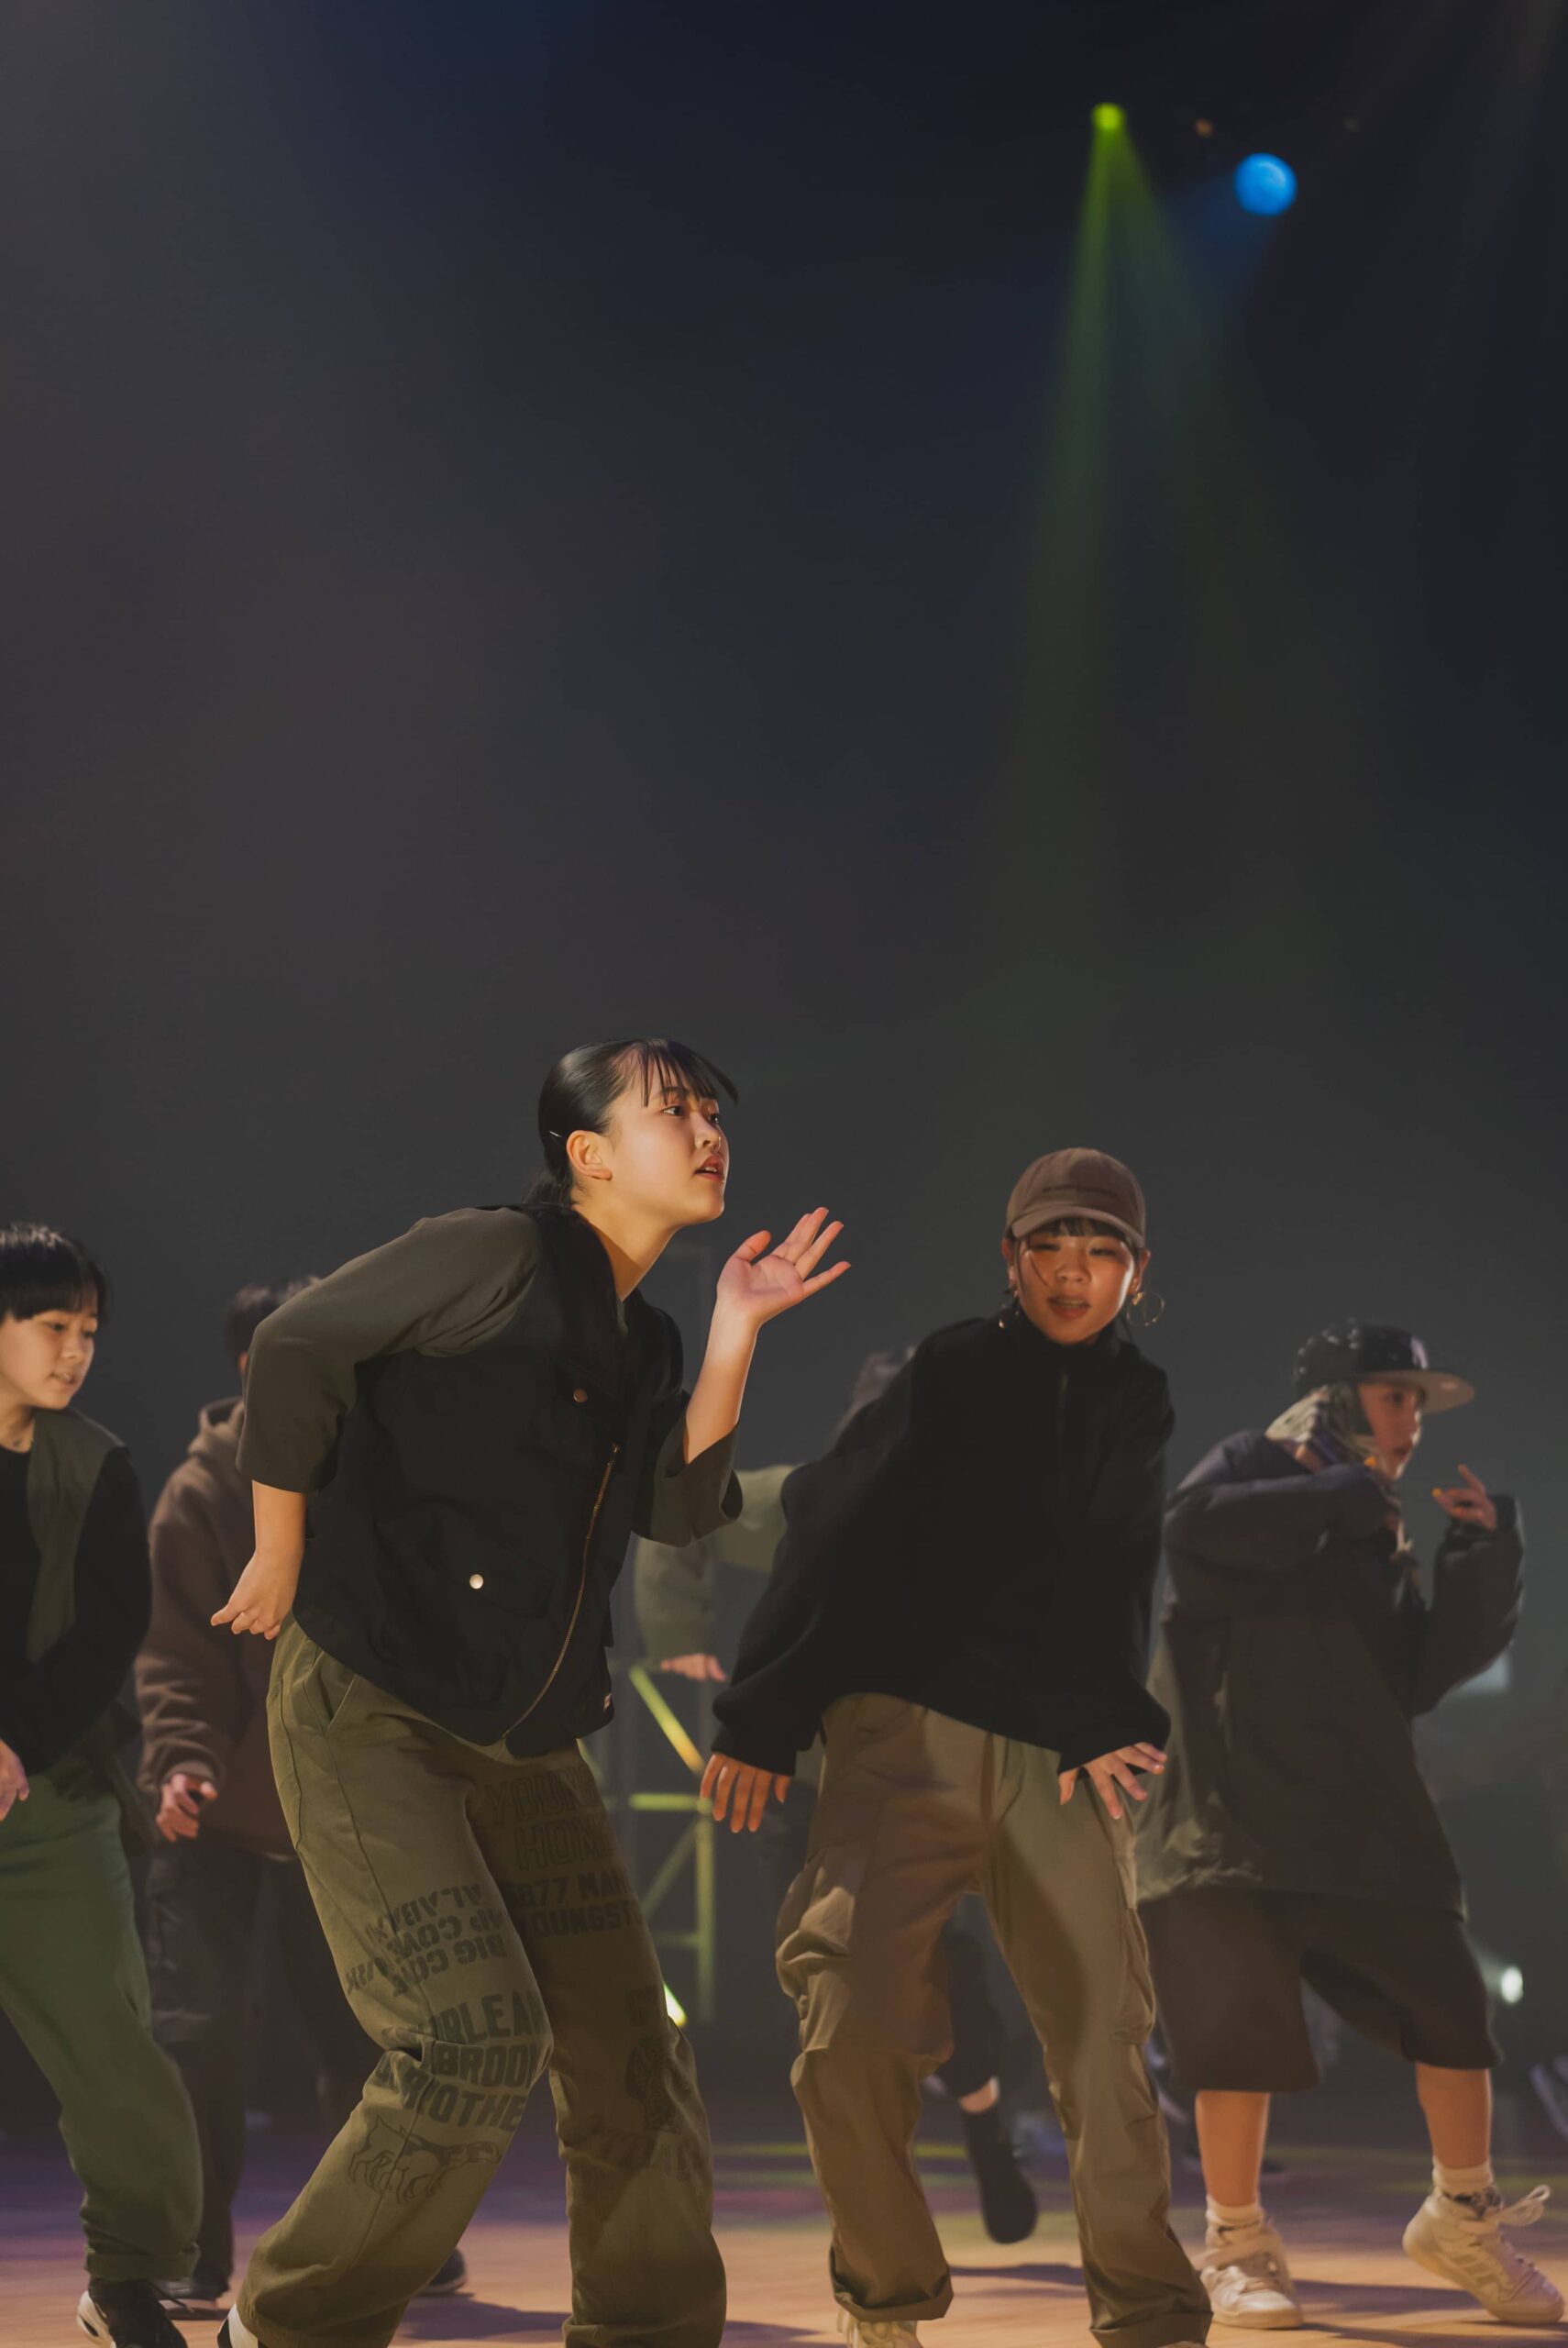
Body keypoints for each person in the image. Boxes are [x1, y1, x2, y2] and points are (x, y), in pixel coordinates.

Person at [208, 1037, 847, 2348]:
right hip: (376, 1700)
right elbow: (294, 1345)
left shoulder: (645, 1332)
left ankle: (646, 2330)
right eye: (674, 1111)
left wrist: (735, 1329)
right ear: (588, 1154)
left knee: (633, 2055)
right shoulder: (491, 1252)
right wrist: (277, 1547)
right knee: (470, 2037)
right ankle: (282, 2329)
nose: (708, 1132)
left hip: (528, 1733)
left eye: (713, 1112)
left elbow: (679, 1504)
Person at [702, 1148, 1209, 2348]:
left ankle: (1149, 2317)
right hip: (903, 1736)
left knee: (1104, 2041)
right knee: (848, 2029)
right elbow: (831, 1526)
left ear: (1137, 1272)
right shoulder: (952, 1369)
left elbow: (1114, 1559)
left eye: (1100, 1251)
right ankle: (885, 2305)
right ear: (1010, 1259)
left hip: (1050, 1754)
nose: (1072, 1273)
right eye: (1049, 1246)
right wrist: (764, 1714)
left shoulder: (1135, 1396)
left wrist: (1099, 1716)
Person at [1137, 1321, 1561, 2330]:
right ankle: (1236, 2242)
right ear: (1335, 1397)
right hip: (1230, 1818)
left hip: (1359, 1818)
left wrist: (1482, 1556)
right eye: (1394, 1396)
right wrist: (1339, 1495)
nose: (1411, 1420)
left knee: (1452, 2009)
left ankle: (1462, 2220)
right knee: (1237, 2038)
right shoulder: (1254, 1464)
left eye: (1418, 1403)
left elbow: (1414, 1673)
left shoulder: (1378, 1522)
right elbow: (1190, 1532)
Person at [633, 1359, 1036, 2245]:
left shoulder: (967, 1530)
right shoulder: (803, 1502)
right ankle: (875, 2202)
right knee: (826, 1983)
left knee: (942, 1973)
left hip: (913, 1794)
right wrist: (677, 1631)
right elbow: (682, 1511)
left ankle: (982, 2120)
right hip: (799, 1789)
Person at [138, 1282, 468, 2317]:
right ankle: (187, 2252)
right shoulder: (200, 1494)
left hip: (342, 1806)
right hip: (220, 1809)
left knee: (370, 2033)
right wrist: (182, 1761)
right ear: (252, 1369)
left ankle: (388, 2241)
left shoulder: (375, 1476)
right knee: (201, 2029)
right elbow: (176, 1654)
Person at [0, 1222, 202, 2348]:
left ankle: (128, 2275)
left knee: (115, 2049)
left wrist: (16, 1741)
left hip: (51, 1800)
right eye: (51, 1326)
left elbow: (108, 1632)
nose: (74, 1351)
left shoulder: (97, 1465)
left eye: (88, 1330)